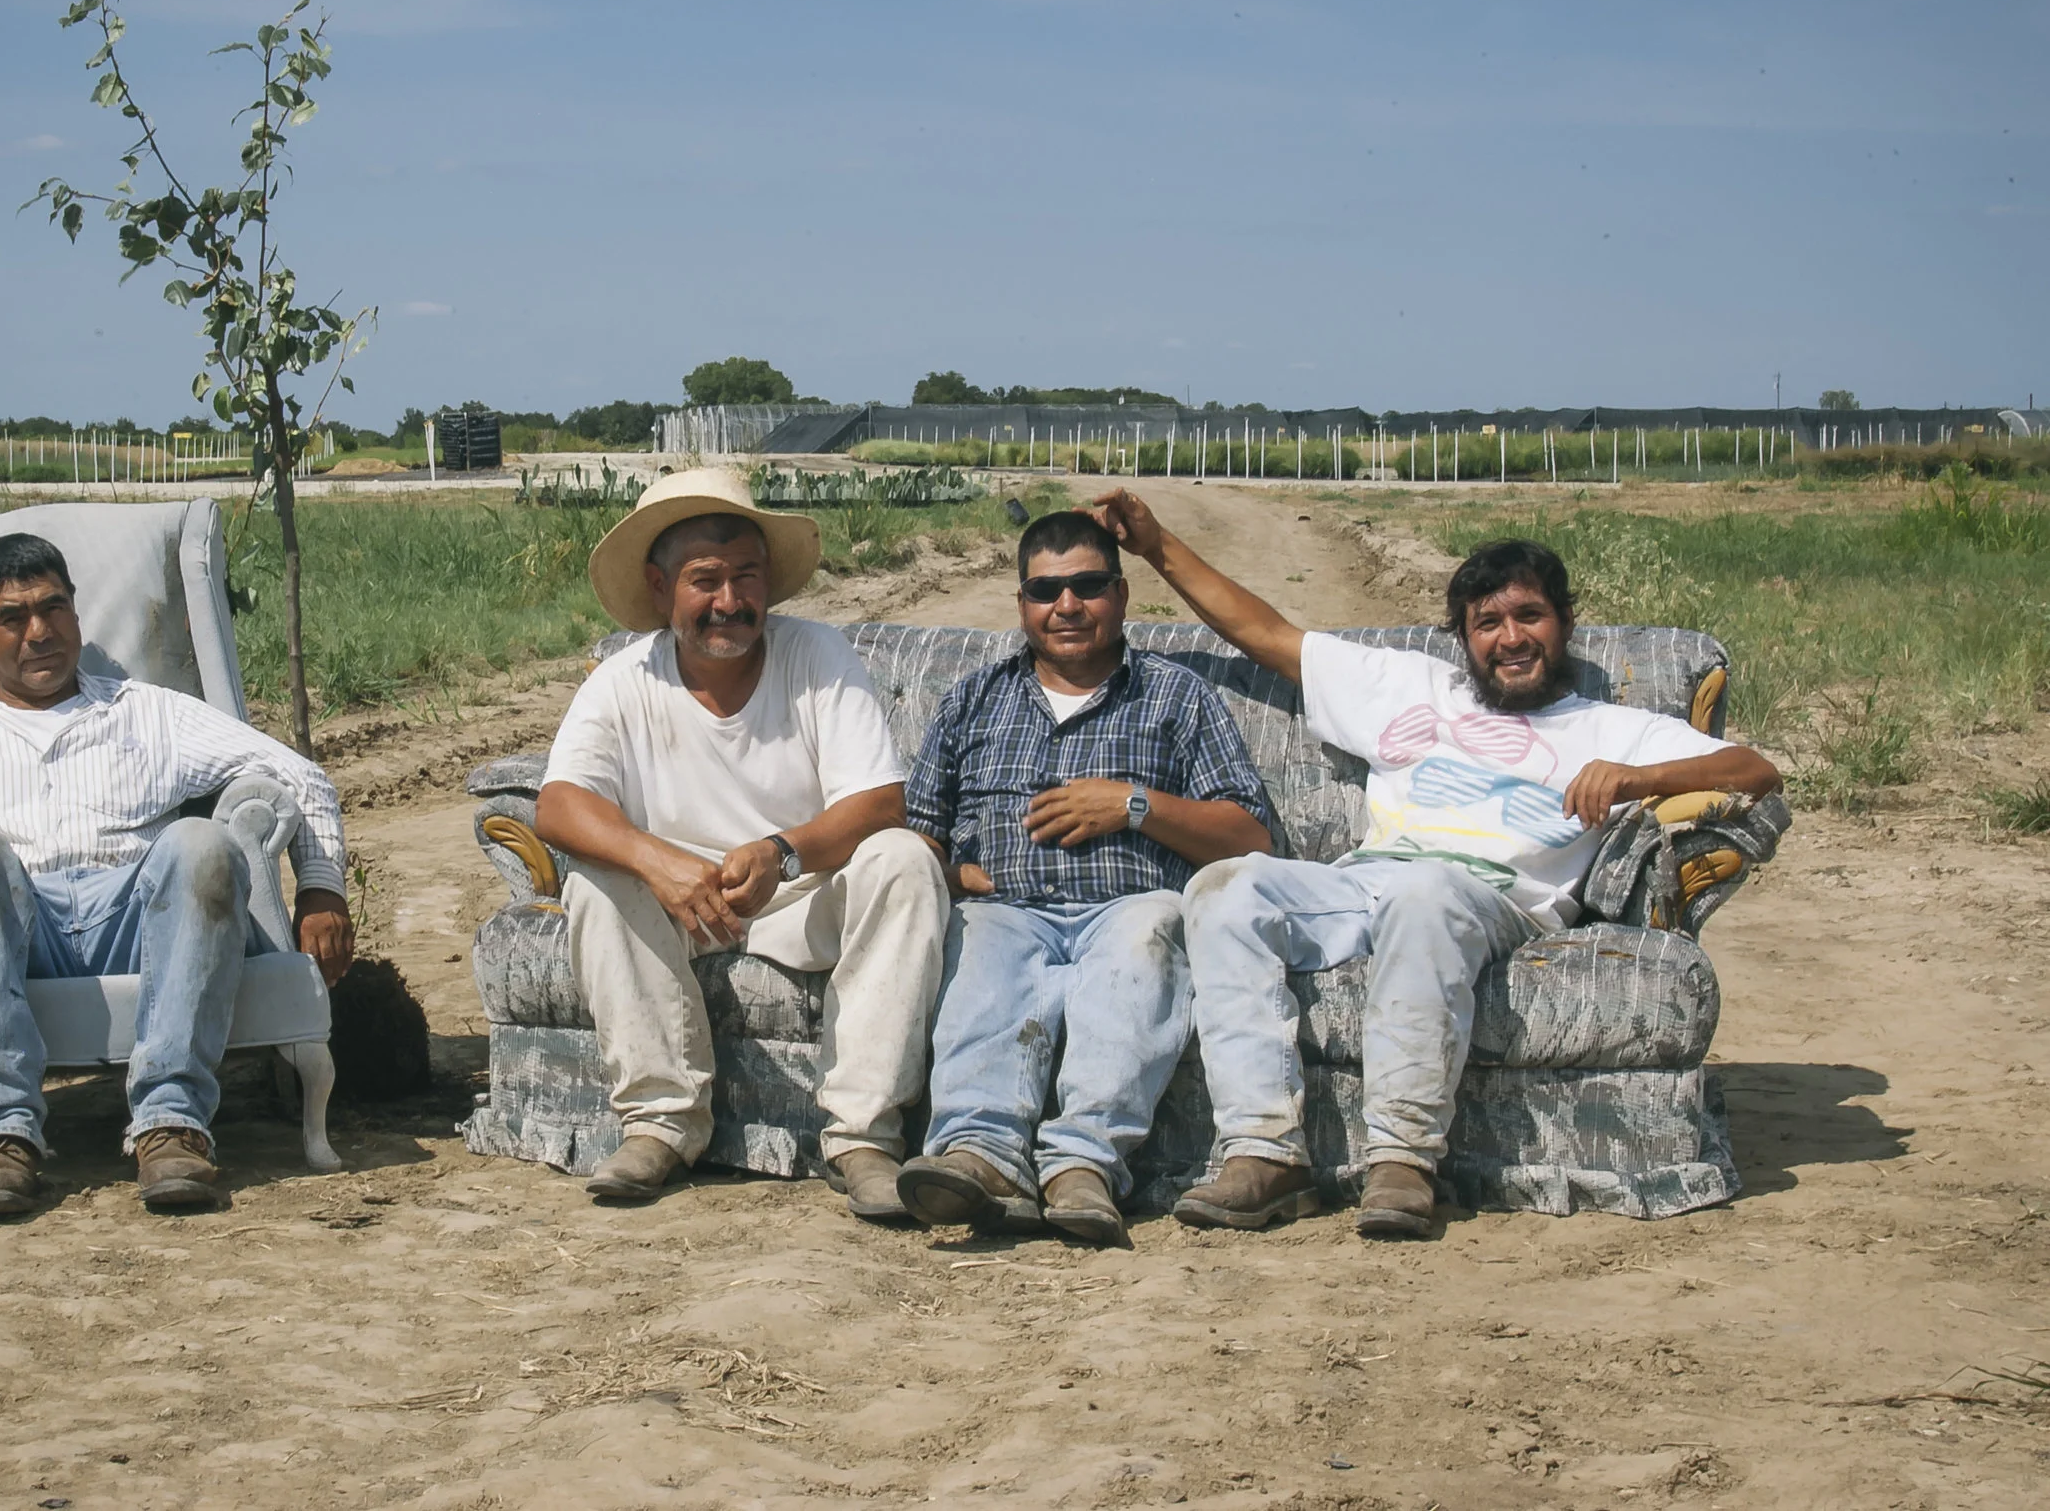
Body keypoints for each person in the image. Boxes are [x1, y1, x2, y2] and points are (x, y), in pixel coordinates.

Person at [1091, 491, 1782, 1239]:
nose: (1511, 638)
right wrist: (1155, 545)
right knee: (1226, 886)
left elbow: (1754, 770)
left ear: (1564, 625)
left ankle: (1403, 1160)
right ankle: (1264, 1154)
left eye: (1529, 617)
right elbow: (1263, 631)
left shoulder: (1612, 726)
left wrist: (1636, 779)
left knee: (1423, 892)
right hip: (1366, 883)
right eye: (1488, 623)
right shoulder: (1416, 689)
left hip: (1491, 899)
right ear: (1463, 638)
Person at [0, 533, 353, 1220]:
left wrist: (321, 887)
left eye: (53, 608)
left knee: (200, 843)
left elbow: (301, 778)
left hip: (135, 918)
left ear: (75, 612)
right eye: (13, 617)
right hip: (11, 924)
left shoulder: (147, 712)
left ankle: (171, 1124)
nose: (39, 633)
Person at [533, 468, 949, 1220]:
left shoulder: (816, 654)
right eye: (706, 580)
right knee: (595, 879)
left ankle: (863, 1137)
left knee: (905, 859)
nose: (730, 602)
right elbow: (559, 806)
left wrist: (781, 851)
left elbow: (881, 802)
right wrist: (659, 863)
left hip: (801, 897)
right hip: (680, 911)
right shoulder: (624, 681)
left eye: (746, 577)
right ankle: (661, 1122)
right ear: (661, 590)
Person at [897, 510, 1273, 1245]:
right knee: (983, 971)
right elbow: (917, 829)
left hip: (1129, 905)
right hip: (1004, 906)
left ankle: (1083, 1166)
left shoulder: (1176, 696)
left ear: (1123, 596)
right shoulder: (973, 699)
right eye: (1045, 590)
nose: (1066, 606)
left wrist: (1134, 807)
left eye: (1087, 586)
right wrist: (948, 869)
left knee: (1144, 946)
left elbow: (1250, 834)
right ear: (1022, 604)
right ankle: (981, 1156)